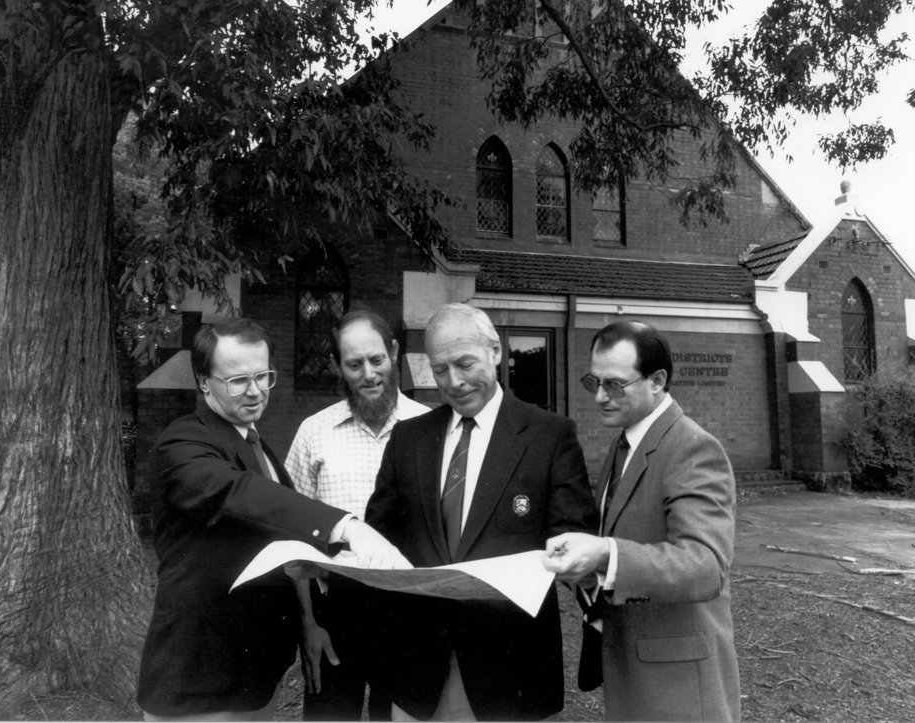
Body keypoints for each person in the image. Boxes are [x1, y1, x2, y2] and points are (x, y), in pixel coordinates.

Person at [137, 317, 408, 721]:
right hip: (199, 680)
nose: (255, 391)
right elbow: (239, 492)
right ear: (203, 382)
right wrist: (348, 526)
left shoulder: (256, 443)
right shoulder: (183, 442)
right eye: (238, 380)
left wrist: (307, 625)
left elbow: (282, 544)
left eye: (263, 376)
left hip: (254, 678)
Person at [365, 303, 597, 721]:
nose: (453, 382)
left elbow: (573, 537)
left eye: (465, 363)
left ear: (495, 351)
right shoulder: (408, 438)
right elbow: (380, 536)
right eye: (439, 370)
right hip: (420, 667)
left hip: (510, 669)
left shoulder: (549, 436)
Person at [542, 320, 740, 722]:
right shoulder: (626, 441)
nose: (600, 396)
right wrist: (590, 571)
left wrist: (606, 555)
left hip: (680, 686)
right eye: (594, 382)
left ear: (657, 380)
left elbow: (705, 566)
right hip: (635, 670)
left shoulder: (692, 447)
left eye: (614, 384)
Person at [284, 310, 429, 721]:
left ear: (395, 353)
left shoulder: (430, 429)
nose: (368, 374)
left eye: (377, 360)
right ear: (337, 367)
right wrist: (308, 624)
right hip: (334, 614)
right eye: (354, 364)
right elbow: (292, 537)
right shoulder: (314, 432)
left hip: (408, 612)